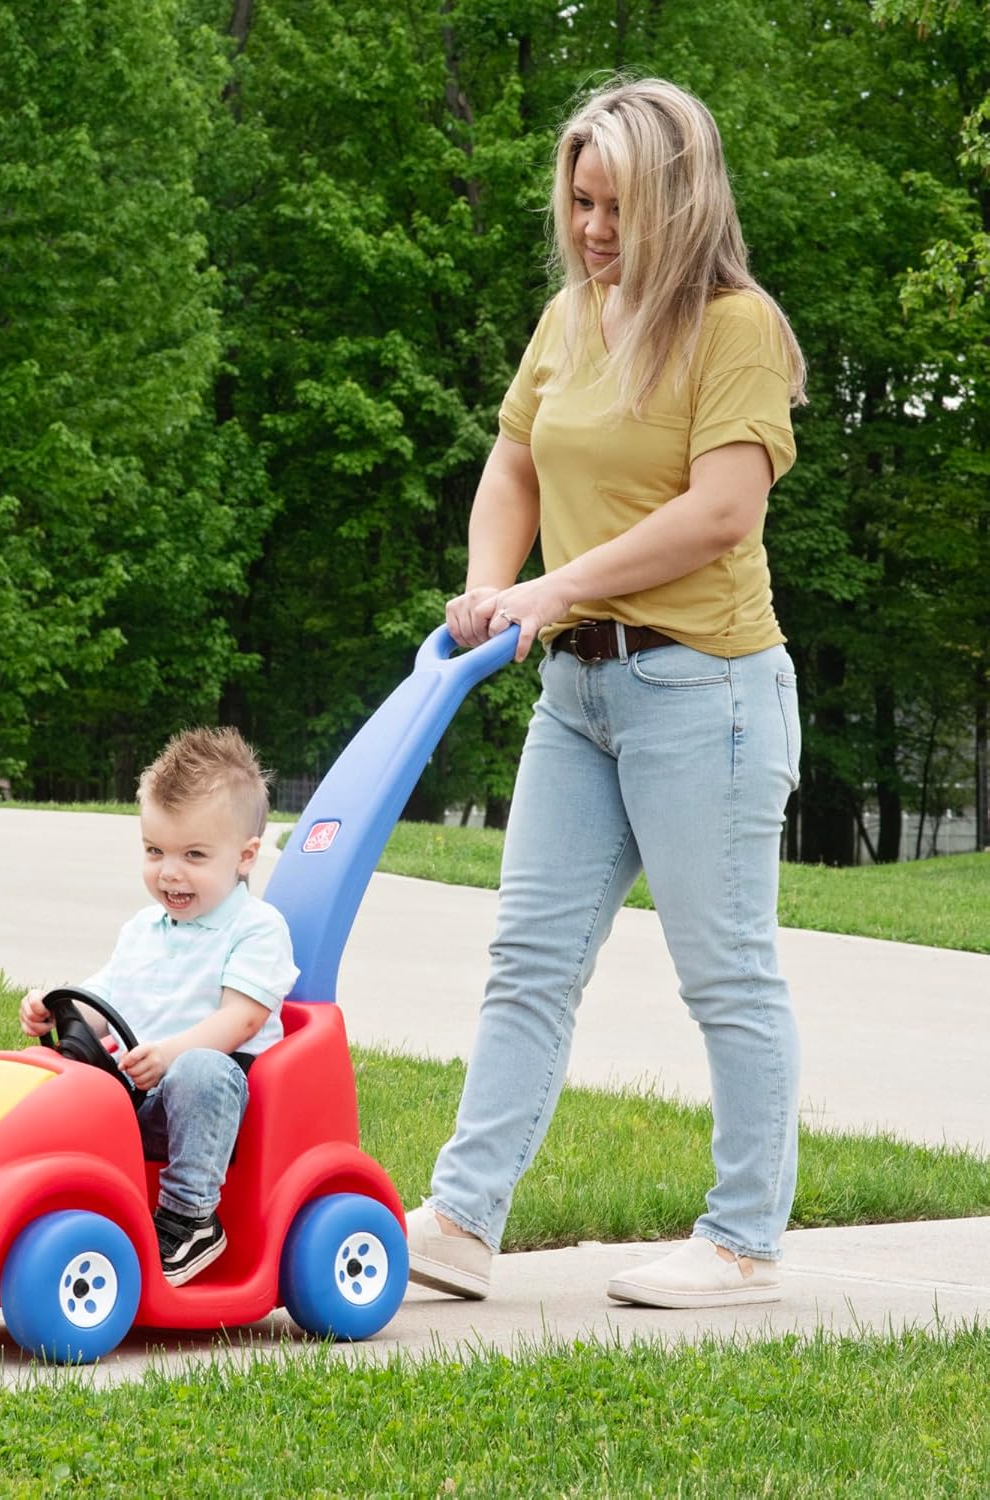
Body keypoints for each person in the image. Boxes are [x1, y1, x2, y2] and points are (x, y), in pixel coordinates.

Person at [405, 77, 808, 1309]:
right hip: (578, 697)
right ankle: (464, 1224)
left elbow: (720, 511)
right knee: (527, 959)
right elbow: (514, 463)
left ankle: (742, 1241)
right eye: (580, 202)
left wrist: (551, 590)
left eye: (618, 209)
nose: (591, 230)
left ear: (680, 206)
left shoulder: (734, 329)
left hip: (710, 691)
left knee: (724, 970)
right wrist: (492, 591)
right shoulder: (570, 315)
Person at [20, 726, 298, 1285]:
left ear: (244, 857)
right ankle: (54, 1203)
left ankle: (190, 1217)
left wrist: (171, 1054)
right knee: (56, 1075)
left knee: (200, 1068)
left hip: (216, 1107)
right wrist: (57, 1007)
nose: (169, 872)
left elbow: (240, 1019)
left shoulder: (257, 928)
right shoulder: (144, 928)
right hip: (139, 1094)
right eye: (155, 851)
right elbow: (106, 994)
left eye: (193, 855)